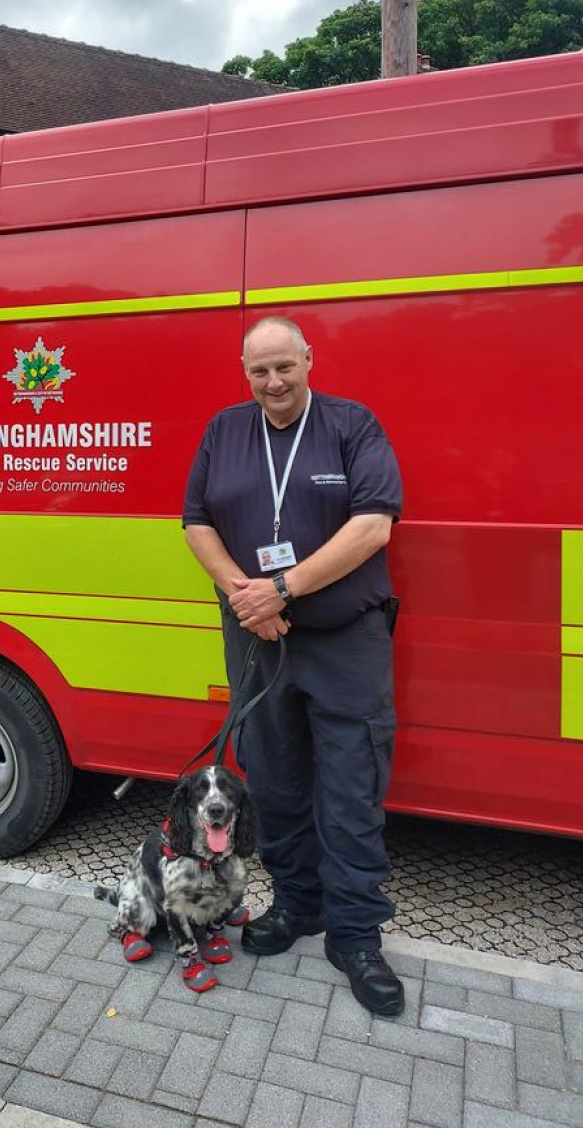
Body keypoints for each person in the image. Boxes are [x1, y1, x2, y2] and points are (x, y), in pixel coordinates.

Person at [182, 315, 405, 1017]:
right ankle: (297, 906)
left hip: (343, 639)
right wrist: (248, 600)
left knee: (350, 786)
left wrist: (282, 587)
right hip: (258, 639)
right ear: (243, 371)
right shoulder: (223, 431)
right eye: (259, 370)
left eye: (285, 365)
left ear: (309, 359)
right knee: (274, 781)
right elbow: (196, 522)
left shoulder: (352, 425)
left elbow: (375, 523)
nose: (274, 381)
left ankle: (356, 937)